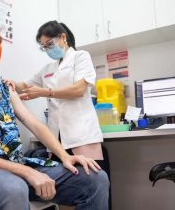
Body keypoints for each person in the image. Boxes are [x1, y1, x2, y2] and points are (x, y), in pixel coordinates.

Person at [0, 17, 109, 210]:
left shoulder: (3, 88)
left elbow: (36, 125)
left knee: (95, 178)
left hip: (15, 169)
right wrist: (25, 172)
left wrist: (65, 157)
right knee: (13, 188)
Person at [13, 21, 106, 165]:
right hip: (56, 140)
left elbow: (79, 89)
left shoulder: (80, 57)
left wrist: (44, 92)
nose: (48, 49)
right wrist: (7, 83)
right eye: (44, 47)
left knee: (90, 180)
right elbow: (24, 85)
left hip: (82, 136)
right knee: (64, 184)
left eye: (49, 44)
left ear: (63, 37)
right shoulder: (48, 69)